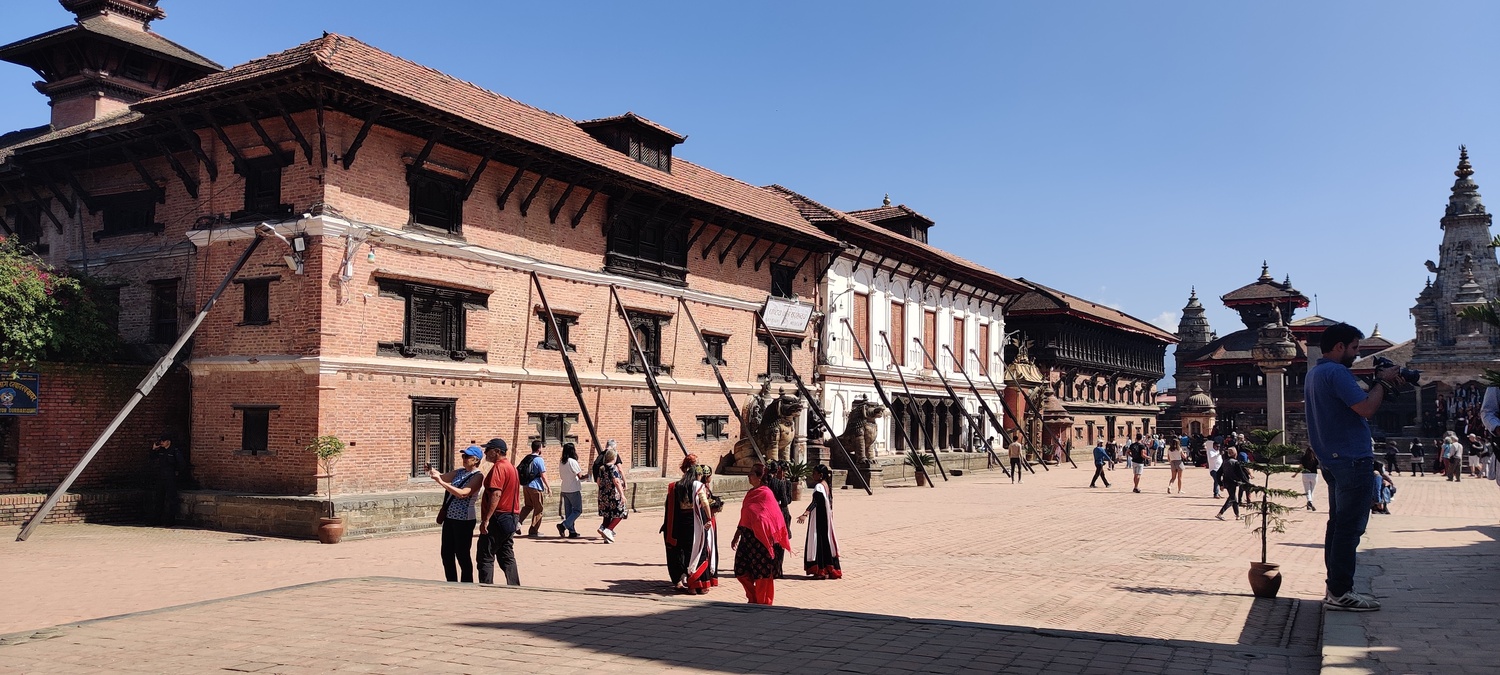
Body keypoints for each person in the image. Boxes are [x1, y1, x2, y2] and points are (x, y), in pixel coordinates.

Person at [1306, 322, 1403, 612]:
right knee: (1350, 529)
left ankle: (1334, 587)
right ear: (1339, 347)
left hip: (1331, 459)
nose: (1356, 354)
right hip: (1351, 459)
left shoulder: (1315, 372)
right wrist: (1382, 382)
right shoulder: (1336, 372)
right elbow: (1366, 408)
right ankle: (1340, 591)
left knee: (1338, 526)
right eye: (1354, 348)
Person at [733, 462, 792, 605]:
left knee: (762, 573)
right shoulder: (750, 494)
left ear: (759, 477)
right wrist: (737, 535)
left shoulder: (766, 493)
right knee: (740, 570)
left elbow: (774, 516)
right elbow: (744, 517)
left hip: (762, 540)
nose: (749, 476)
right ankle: (753, 597)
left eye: (752, 473)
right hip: (747, 538)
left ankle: (763, 601)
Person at [430, 444, 484, 582]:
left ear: (476, 460)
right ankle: (451, 581)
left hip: (464, 519)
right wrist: (432, 471)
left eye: (468, 456)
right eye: (463, 456)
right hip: (450, 518)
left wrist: (442, 482)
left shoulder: (478, 476)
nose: (464, 459)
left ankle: (466, 581)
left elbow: (463, 493)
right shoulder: (459, 472)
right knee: (446, 553)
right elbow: (443, 476)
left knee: (462, 553)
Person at [477, 438, 521, 586]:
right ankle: (514, 585)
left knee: (485, 554)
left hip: (499, 516)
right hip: (512, 516)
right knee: (506, 553)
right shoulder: (511, 467)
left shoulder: (499, 467)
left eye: (488, 450)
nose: (485, 453)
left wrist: (486, 519)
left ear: (496, 452)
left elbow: (496, 494)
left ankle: (486, 585)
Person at [662, 456, 706, 590]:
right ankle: (690, 580)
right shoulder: (696, 485)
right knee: (689, 551)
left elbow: (668, 506)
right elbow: (704, 505)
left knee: (677, 552)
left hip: (676, 523)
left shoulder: (675, 486)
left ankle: (680, 580)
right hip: (691, 524)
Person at [797, 464, 842, 579]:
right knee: (825, 542)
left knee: (818, 542)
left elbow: (815, 502)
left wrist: (805, 514)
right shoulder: (826, 485)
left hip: (819, 520)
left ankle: (820, 570)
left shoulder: (819, 487)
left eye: (814, 473)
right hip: (825, 519)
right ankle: (828, 569)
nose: (813, 475)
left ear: (820, 475)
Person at [147, 433, 187, 526]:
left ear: (168, 441)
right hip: (161, 477)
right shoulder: (160, 450)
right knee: (158, 499)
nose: (161, 443)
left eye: (163, 441)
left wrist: (177, 474)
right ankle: (156, 520)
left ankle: (170, 521)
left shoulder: (174, 451)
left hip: (170, 477)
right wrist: (154, 449)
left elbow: (181, 464)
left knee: (171, 499)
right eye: (161, 441)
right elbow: (152, 457)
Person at [515, 440, 550, 537]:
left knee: (528, 506)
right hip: (536, 486)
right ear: (539, 448)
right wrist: (548, 487)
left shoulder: (527, 458)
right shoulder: (539, 460)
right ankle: (533, 530)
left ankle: (517, 523)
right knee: (539, 508)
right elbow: (543, 475)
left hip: (526, 486)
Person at [594, 445, 627, 542]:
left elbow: (598, 481)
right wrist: (622, 494)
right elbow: (616, 481)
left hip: (604, 494)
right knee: (621, 513)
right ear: (614, 457)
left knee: (607, 514)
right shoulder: (614, 468)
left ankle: (606, 535)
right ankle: (609, 530)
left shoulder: (602, 468)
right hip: (613, 494)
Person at [556, 443, 586, 538]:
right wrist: (588, 475)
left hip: (564, 488)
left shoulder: (562, 462)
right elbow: (580, 476)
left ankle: (572, 531)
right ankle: (564, 525)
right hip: (573, 488)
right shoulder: (572, 462)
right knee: (577, 510)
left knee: (568, 512)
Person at [1215, 452, 1247, 520]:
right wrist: (1247, 482)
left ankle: (1237, 515)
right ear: (1235, 454)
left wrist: (1220, 484)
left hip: (1226, 483)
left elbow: (1218, 474)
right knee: (1232, 499)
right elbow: (1241, 475)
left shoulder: (1225, 462)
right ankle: (1220, 513)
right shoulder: (1235, 462)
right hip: (1233, 483)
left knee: (1232, 498)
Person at [1300, 446, 1319, 512]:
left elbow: (1301, 466)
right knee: (1312, 490)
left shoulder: (1303, 458)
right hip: (1314, 475)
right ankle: (1310, 502)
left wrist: (1295, 474)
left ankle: (1309, 501)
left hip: (1305, 474)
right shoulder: (1315, 459)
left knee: (1307, 489)